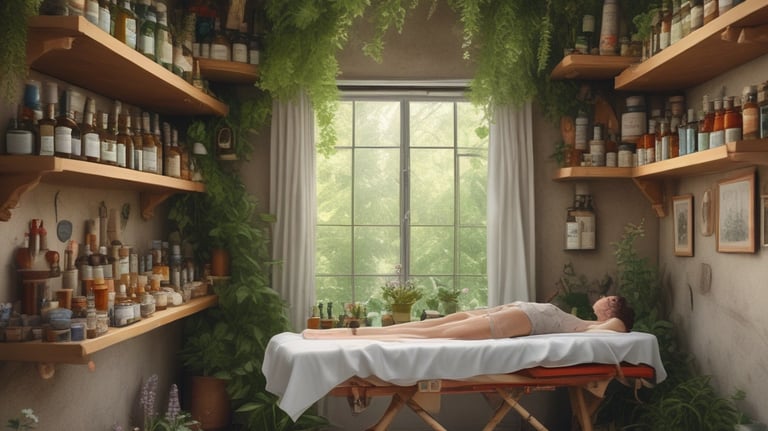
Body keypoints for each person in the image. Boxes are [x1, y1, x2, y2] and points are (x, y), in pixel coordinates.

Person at [302, 295, 635, 340]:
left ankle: (330, 337)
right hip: (521, 312)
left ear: (614, 306)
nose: (603, 297)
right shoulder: (594, 322)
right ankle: (340, 336)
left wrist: (615, 321)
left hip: (527, 319)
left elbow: (613, 332)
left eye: (611, 298)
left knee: (436, 335)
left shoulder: (613, 324)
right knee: (428, 325)